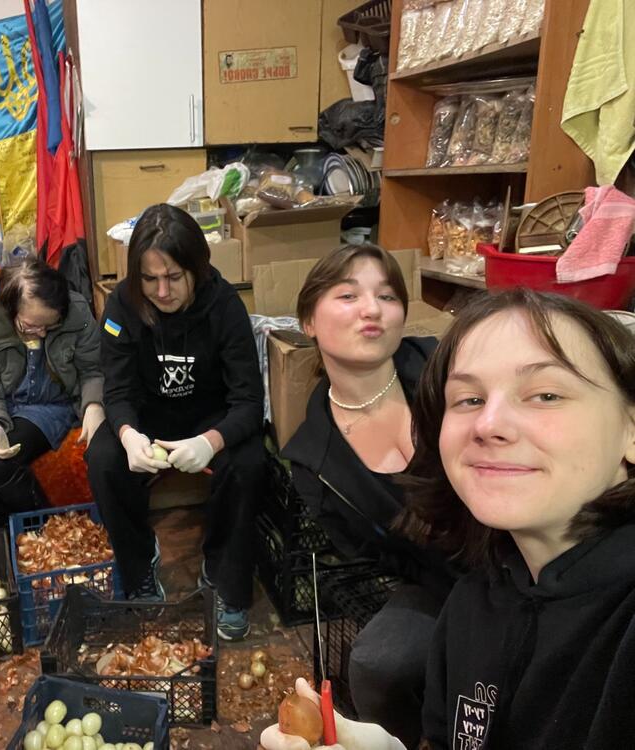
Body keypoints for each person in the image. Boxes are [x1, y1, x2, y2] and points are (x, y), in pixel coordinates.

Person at [262, 289, 635, 749]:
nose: (489, 424)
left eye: (545, 393)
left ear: (630, 429)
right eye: (469, 400)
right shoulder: (471, 608)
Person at [281, 245, 456, 747]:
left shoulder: (446, 370)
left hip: (527, 549)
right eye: (348, 294)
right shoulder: (315, 462)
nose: (373, 308)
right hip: (442, 583)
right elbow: (376, 553)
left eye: (387, 295)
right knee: (376, 663)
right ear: (308, 321)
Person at [85, 203, 264, 641]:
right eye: (150, 279)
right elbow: (118, 388)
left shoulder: (225, 307)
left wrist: (211, 441)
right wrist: (127, 435)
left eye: (174, 277)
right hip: (146, 421)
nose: (162, 291)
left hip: (210, 418)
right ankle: (140, 565)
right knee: (104, 459)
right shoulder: (121, 307)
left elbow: (249, 400)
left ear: (197, 269)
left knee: (250, 463)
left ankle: (224, 576)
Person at [0, 258, 105, 527]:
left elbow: (94, 369)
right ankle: (9, 528)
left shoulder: (77, 312)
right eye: (30, 325)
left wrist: (93, 405)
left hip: (47, 404)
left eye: (51, 324)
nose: (42, 332)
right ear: (7, 308)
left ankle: (50, 528)